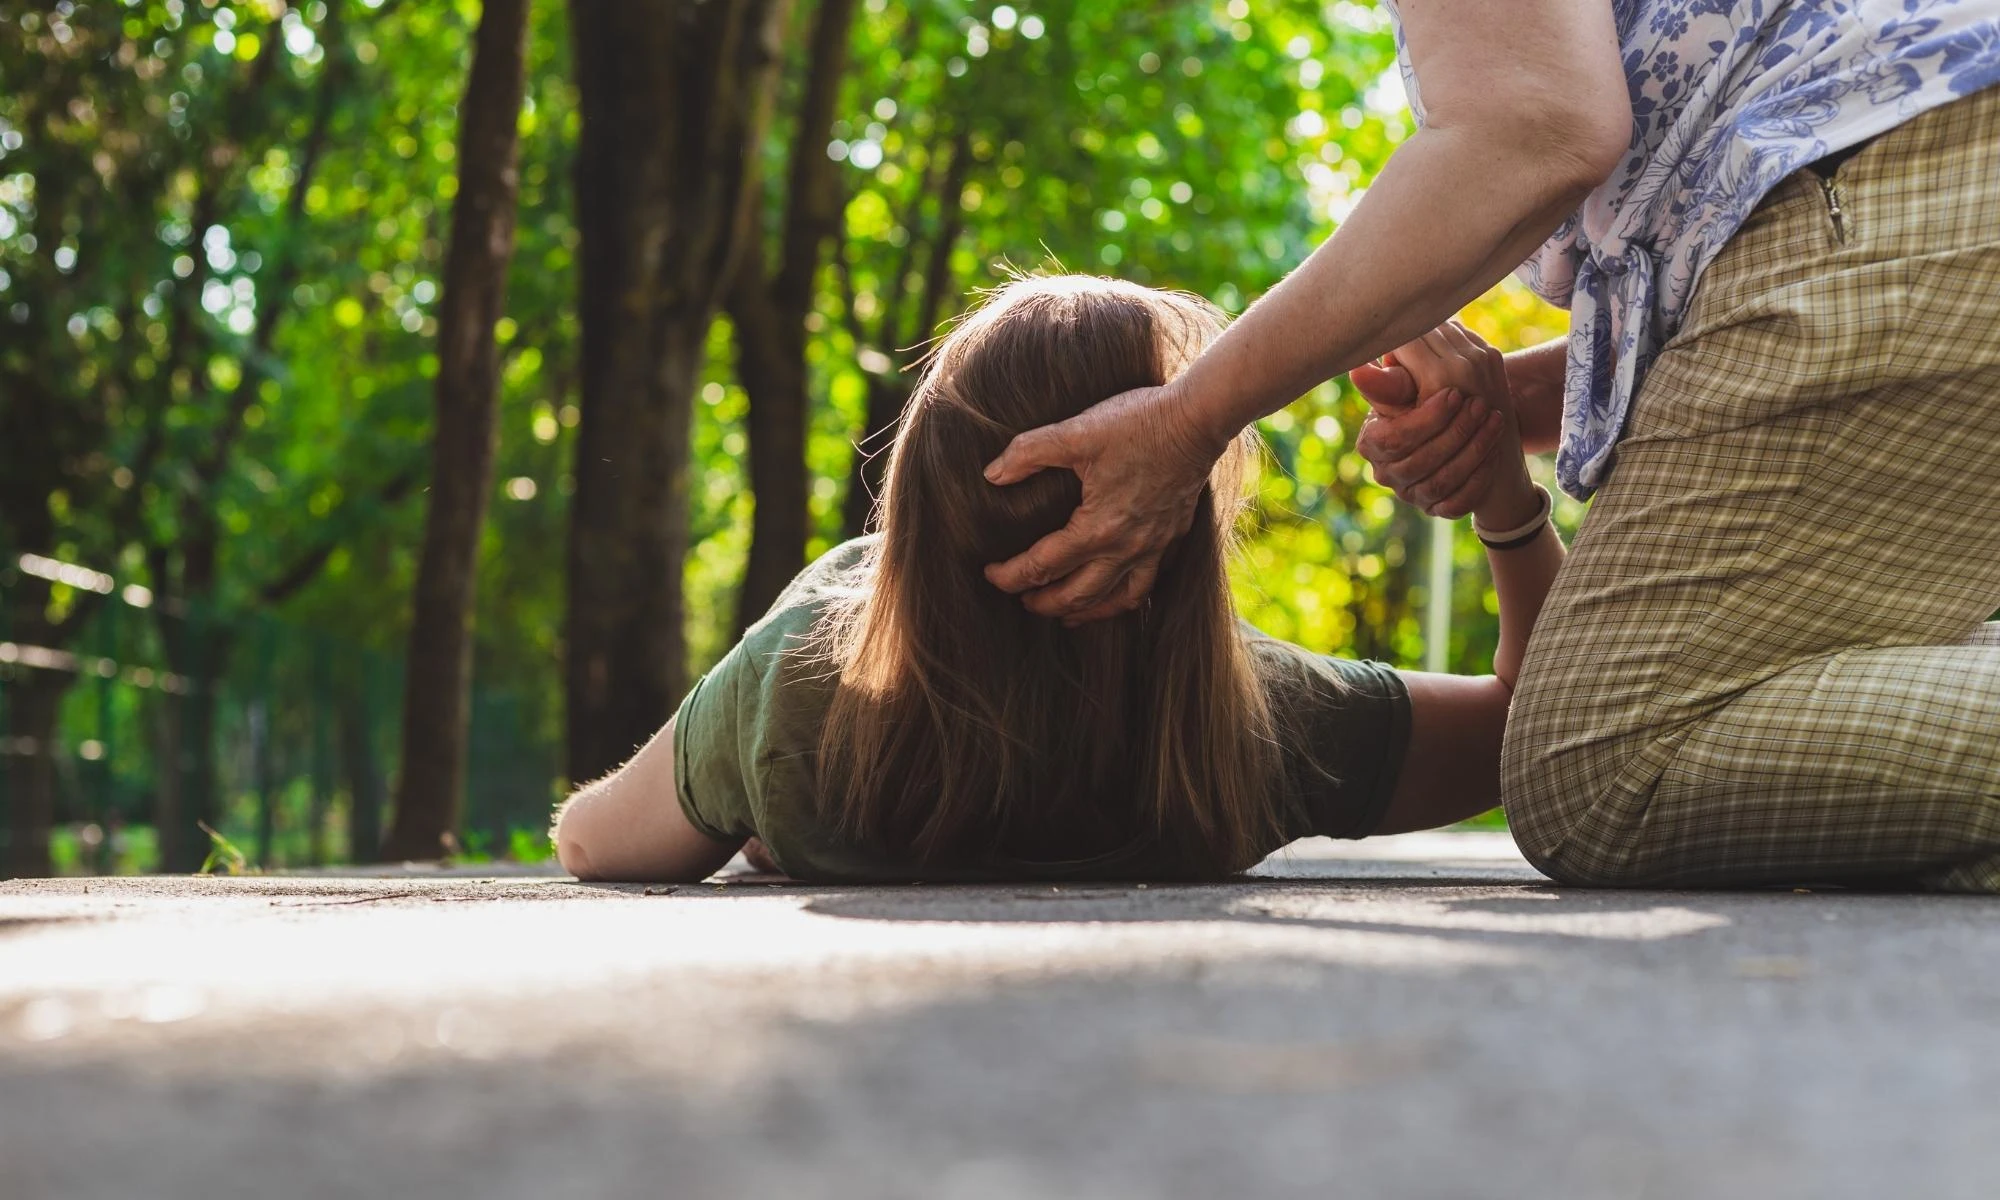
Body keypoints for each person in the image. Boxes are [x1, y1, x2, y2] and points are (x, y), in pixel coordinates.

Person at [977, 0, 2000, 889]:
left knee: (1601, 772)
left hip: (1906, 182)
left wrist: (1189, 416)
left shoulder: (818, 691)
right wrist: (1500, 413)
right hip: (1928, 171)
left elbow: (1532, 128)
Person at [551, 276, 1557, 883]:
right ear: (1177, 526)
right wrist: (1506, 504)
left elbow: (592, 844)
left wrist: (756, 768)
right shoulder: (1255, 725)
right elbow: (1536, 728)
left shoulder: (800, 689)